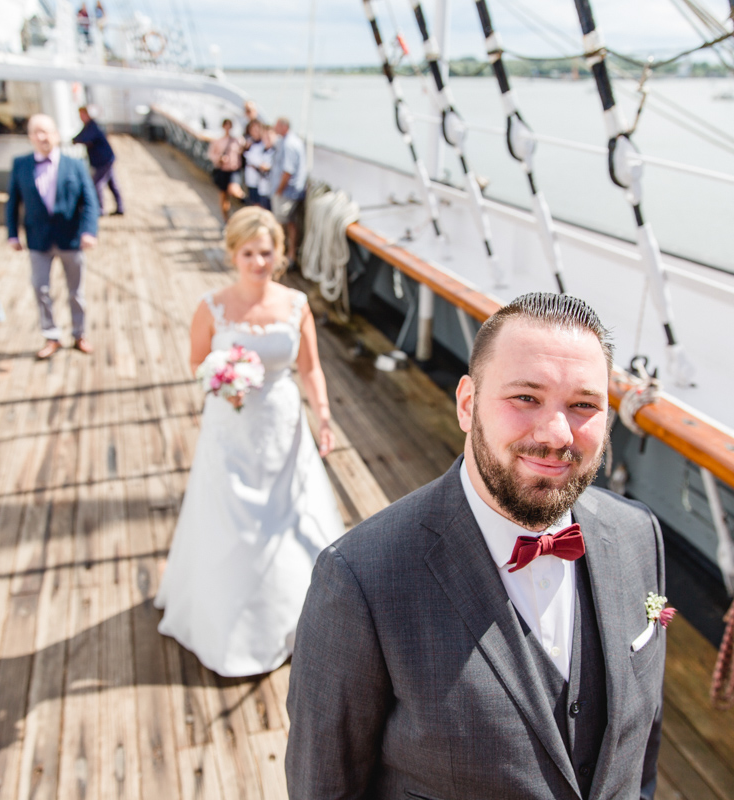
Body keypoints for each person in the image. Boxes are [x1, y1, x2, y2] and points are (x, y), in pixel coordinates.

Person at [286, 292, 667, 800]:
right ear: (467, 405)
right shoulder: (360, 581)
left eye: (583, 405)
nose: (557, 434)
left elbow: (641, 753)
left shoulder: (639, 534)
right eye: (526, 397)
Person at [154, 206, 344, 678]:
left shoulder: (297, 304)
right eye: (248, 253)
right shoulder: (211, 307)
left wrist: (323, 415)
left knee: (290, 518)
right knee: (232, 523)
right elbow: (198, 363)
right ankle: (231, 628)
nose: (258, 262)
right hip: (230, 428)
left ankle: (302, 623)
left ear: (280, 253)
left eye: (266, 252)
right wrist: (222, 378)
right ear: (233, 254)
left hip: (282, 425)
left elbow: (310, 368)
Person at [5, 114, 99, 359]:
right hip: (39, 240)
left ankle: (79, 333)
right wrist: (12, 234)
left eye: (46, 131)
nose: (42, 137)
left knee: (76, 291)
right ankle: (51, 335)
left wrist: (89, 231)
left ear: (56, 135)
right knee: (40, 288)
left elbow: (89, 201)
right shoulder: (20, 164)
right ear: (30, 138)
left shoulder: (75, 165)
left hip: (71, 238)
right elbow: (13, 202)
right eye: (37, 132)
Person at [268, 117, 306, 265]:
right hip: (289, 191)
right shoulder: (288, 141)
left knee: (281, 223)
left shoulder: (289, 144)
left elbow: (288, 171)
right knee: (289, 222)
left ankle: (283, 255)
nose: (274, 128)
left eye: (276, 126)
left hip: (286, 192)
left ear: (284, 127)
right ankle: (288, 254)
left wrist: (278, 190)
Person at [72, 106, 123, 216]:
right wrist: (74, 139)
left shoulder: (92, 127)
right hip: (104, 158)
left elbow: (85, 138)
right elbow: (81, 136)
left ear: (87, 115)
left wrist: (75, 140)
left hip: (104, 159)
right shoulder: (89, 126)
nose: (80, 117)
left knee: (97, 184)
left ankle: (100, 209)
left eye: (81, 115)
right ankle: (120, 208)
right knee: (112, 183)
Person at [207, 118, 244, 221]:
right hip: (223, 170)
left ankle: (244, 202)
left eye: (229, 125)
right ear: (223, 127)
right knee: (223, 196)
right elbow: (211, 154)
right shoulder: (218, 141)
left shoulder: (237, 140)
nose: (227, 128)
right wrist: (219, 158)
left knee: (234, 189)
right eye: (226, 125)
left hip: (234, 170)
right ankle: (226, 219)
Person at [242, 120, 272, 210]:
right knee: (254, 202)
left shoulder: (263, 144)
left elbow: (263, 163)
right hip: (251, 179)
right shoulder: (250, 142)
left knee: (259, 205)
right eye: (252, 130)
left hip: (260, 181)